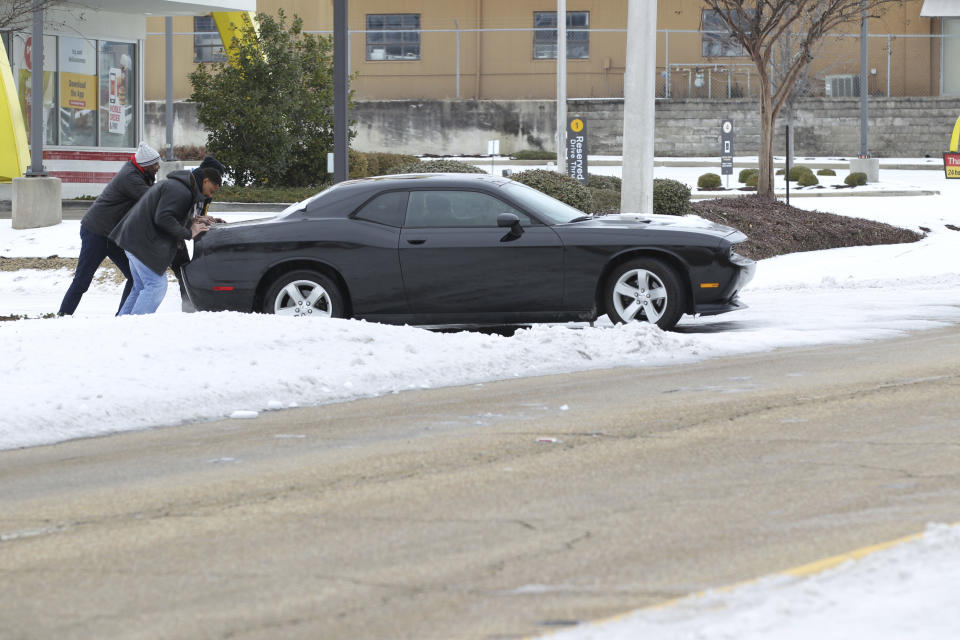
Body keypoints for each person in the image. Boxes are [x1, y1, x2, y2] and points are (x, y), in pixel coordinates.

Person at [58, 141, 161, 316]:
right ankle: (63, 316)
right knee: (82, 281)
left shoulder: (141, 173)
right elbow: (151, 200)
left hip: (113, 235)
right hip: (96, 233)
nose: (158, 167)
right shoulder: (131, 177)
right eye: (155, 164)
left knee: (134, 276)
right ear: (145, 165)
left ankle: (121, 317)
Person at [110, 167, 221, 316]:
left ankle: (122, 324)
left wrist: (192, 220)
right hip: (139, 242)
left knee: (141, 286)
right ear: (205, 180)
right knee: (156, 285)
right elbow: (163, 218)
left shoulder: (180, 187)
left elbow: (168, 214)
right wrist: (189, 232)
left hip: (131, 238)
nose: (209, 195)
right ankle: (134, 326)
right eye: (211, 190)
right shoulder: (181, 190)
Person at [170, 156, 227, 312]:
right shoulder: (187, 187)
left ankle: (190, 307)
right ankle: (189, 309)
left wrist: (209, 220)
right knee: (177, 272)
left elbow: (199, 214)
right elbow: (173, 217)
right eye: (215, 179)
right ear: (206, 178)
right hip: (169, 237)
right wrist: (190, 228)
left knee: (184, 269)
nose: (216, 185)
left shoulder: (204, 191)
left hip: (179, 235)